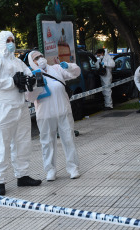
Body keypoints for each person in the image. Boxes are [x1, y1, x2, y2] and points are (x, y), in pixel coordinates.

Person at [0, 31, 42, 196]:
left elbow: (30, 75)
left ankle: (22, 175)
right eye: (8, 40)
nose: (11, 43)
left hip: (20, 106)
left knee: (23, 143)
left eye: (13, 40)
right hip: (2, 108)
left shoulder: (18, 62)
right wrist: (12, 82)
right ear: (1, 42)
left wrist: (31, 81)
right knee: (1, 145)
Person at [26, 51, 81, 181]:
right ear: (31, 62)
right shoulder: (30, 75)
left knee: (69, 139)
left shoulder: (56, 69)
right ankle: (50, 170)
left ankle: (73, 168)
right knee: (47, 143)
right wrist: (34, 84)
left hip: (63, 111)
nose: (40, 59)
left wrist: (68, 66)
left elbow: (76, 73)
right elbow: (29, 97)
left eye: (40, 56)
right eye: (36, 58)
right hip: (45, 115)